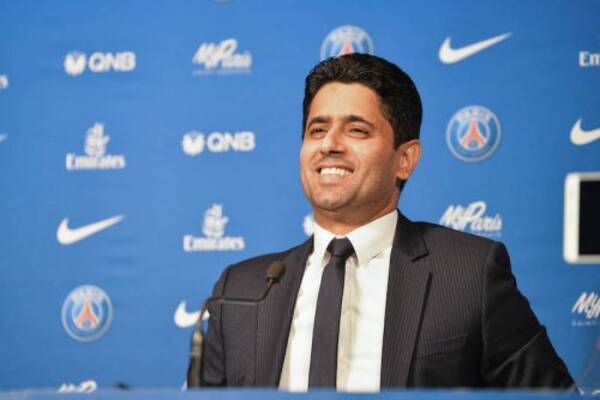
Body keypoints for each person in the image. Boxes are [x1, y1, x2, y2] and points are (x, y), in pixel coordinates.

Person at [199, 54, 575, 391]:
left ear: (405, 159)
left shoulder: (469, 274)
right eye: (317, 130)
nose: (329, 144)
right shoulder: (241, 289)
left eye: (356, 130)